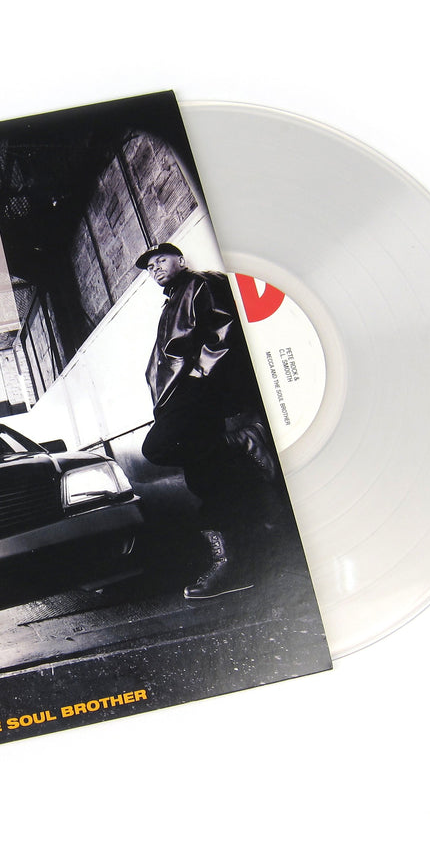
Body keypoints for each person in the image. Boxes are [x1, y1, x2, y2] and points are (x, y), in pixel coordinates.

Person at [138, 243, 277, 599]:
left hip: (196, 392)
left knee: (156, 448)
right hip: (177, 397)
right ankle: (232, 565)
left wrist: (198, 377)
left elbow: (223, 330)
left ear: (181, 260)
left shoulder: (199, 283)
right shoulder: (171, 302)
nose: (155, 268)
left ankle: (244, 439)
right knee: (205, 478)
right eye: (149, 266)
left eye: (161, 260)